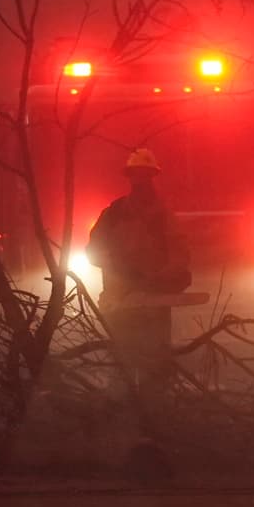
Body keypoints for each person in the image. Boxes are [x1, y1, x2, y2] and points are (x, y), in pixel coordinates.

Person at [86, 148, 190, 395]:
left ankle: (155, 411)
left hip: (154, 303)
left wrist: (160, 277)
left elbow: (180, 256)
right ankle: (125, 410)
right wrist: (118, 267)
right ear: (129, 177)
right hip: (119, 302)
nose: (140, 179)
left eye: (145, 174)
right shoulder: (113, 213)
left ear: (153, 176)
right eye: (136, 174)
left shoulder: (164, 216)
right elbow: (93, 251)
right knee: (122, 365)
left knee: (156, 366)